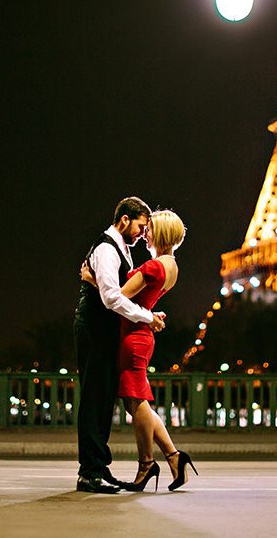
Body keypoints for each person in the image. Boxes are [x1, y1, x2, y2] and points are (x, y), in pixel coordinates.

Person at [82, 209, 198, 493]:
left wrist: (92, 280)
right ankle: (169, 458)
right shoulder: (171, 266)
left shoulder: (153, 267)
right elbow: (142, 299)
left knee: (136, 402)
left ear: (160, 234)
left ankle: (151, 462)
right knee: (137, 400)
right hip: (141, 334)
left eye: (150, 229)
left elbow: (116, 296)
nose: (145, 234)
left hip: (133, 336)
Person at [73, 197, 166, 494]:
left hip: (102, 330)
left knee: (101, 402)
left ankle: (98, 467)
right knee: (94, 400)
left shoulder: (120, 248)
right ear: (124, 220)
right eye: (140, 225)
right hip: (95, 330)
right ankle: (89, 472)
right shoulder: (106, 249)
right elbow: (112, 298)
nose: (143, 232)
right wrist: (146, 316)